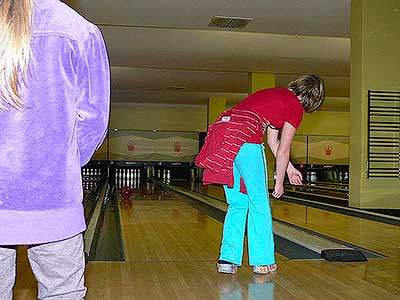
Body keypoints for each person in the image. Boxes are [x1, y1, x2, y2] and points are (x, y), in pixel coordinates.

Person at [0, 0, 110, 299]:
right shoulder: (79, 29)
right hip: (53, 197)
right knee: (63, 292)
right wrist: (64, 162)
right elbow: (94, 121)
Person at [196, 75, 324, 274]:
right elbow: (283, 150)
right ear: (313, 99)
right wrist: (279, 183)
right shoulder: (296, 108)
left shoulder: (275, 95)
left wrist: (289, 168)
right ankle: (262, 260)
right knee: (259, 203)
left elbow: (273, 142)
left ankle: (227, 260)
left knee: (238, 203)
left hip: (221, 133)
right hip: (244, 137)